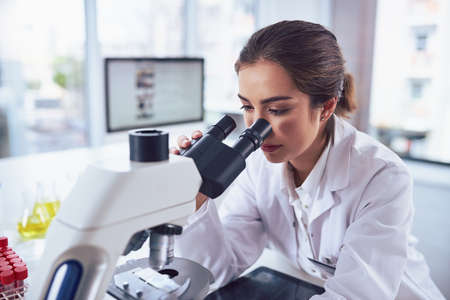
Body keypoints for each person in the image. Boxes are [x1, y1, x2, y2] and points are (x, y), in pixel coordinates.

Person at [171, 20, 444, 299]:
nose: (257, 128)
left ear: (326, 107)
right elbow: (216, 270)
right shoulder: (257, 167)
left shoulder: (381, 175)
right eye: (247, 107)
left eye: (276, 109)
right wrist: (195, 199)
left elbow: (355, 295)